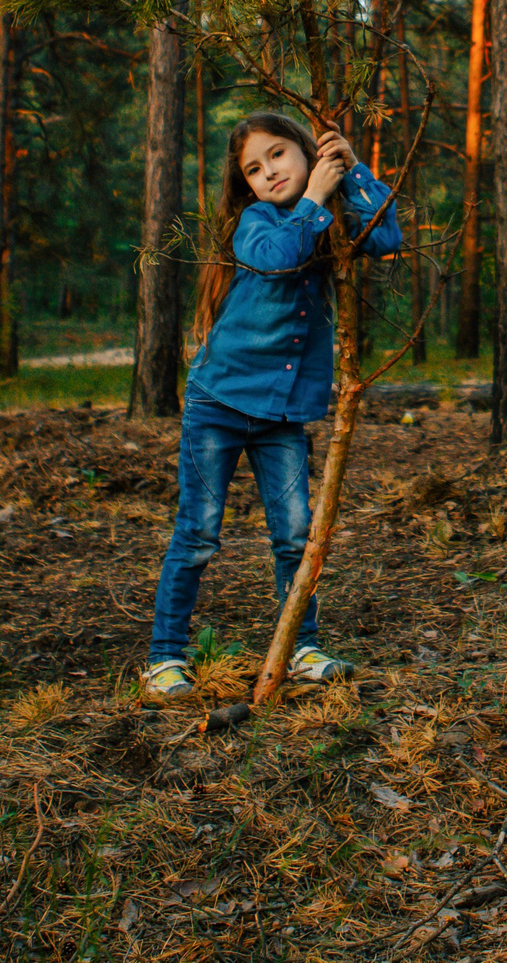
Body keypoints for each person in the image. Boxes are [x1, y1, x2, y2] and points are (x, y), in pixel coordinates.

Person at [141, 111, 402, 700]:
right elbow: (278, 258)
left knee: (294, 535)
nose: (269, 173)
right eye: (254, 170)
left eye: (278, 154)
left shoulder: (331, 218)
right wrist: (315, 196)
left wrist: (353, 170)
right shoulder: (256, 223)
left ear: (309, 152)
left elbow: (386, 239)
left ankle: (301, 647)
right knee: (198, 533)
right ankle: (163, 657)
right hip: (220, 402)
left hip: (282, 414)